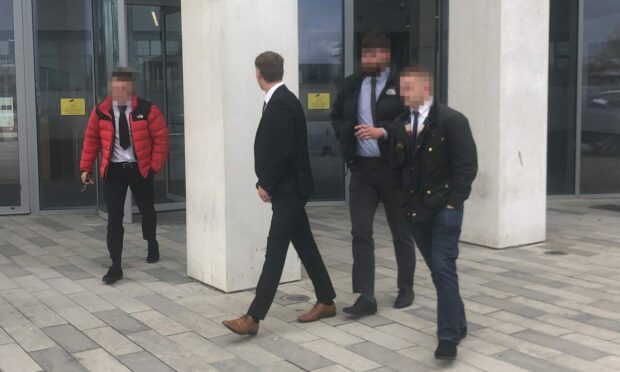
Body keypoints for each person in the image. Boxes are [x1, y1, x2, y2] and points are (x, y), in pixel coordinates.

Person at [222, 52, 337, 336]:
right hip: (289, 188)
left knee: (275, 251)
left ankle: (253, 317)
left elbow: (284, 152)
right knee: (305, 245)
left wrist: (266, 184)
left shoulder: (282, 103)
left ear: (259, 73)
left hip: (289, 190)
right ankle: (326, 300)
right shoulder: (280, 100)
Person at [388, 66, 477, 360]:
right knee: (439, 271)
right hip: (414, 211)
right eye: (401, 88)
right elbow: (397, 167)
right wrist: (401, 202)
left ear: (425, 88)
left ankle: (448, 336)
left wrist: (454, 201)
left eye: (408, 87)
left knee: (442, 267)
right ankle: (459, 321)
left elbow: (466, 166)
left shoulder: (452, 120)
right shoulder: (401, 124)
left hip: (444, 209)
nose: (403, 94)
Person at [331, 32, 416, 315]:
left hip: (393, 170)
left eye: (372, 54)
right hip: (362, 171)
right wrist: (345, 137)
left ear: (386, 55)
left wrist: (383, 132)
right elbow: (336, 114)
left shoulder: (402, 84)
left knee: (400, 232)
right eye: (364, 55)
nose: (366, 59)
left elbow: (416, 122)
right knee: (361, 232)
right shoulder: (353, 84)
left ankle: (405, 287)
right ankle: (366, 296)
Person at [80, 69, 169, 285]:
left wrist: (154, 167)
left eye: (123, 87)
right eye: (115, 87)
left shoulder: (148, 109)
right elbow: (91, 139)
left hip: (140, 169)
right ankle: (116, 265)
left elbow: (161, 138)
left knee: (147, 210)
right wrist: (86, 167)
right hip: (114, 171)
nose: (119, 91)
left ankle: (151, 242)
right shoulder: (101, 111)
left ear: (131, 88)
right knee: (114, 219)